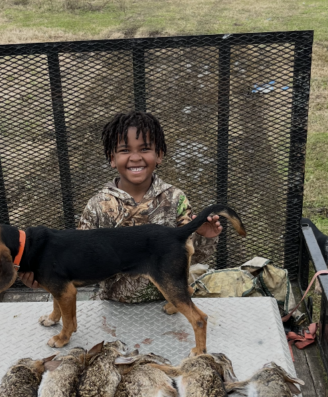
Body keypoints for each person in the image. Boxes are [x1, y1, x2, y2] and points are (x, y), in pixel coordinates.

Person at [19, 110, 222, 302]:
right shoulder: (98, 205)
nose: (135, 157)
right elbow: (78, 262)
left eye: (145, 148)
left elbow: (190, 258)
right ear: (112, 158)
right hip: (113, 305)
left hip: (168, 303)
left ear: (159, 154)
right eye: (125, 150)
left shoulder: (176, 199)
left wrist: (205, 237)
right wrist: (45, 276)